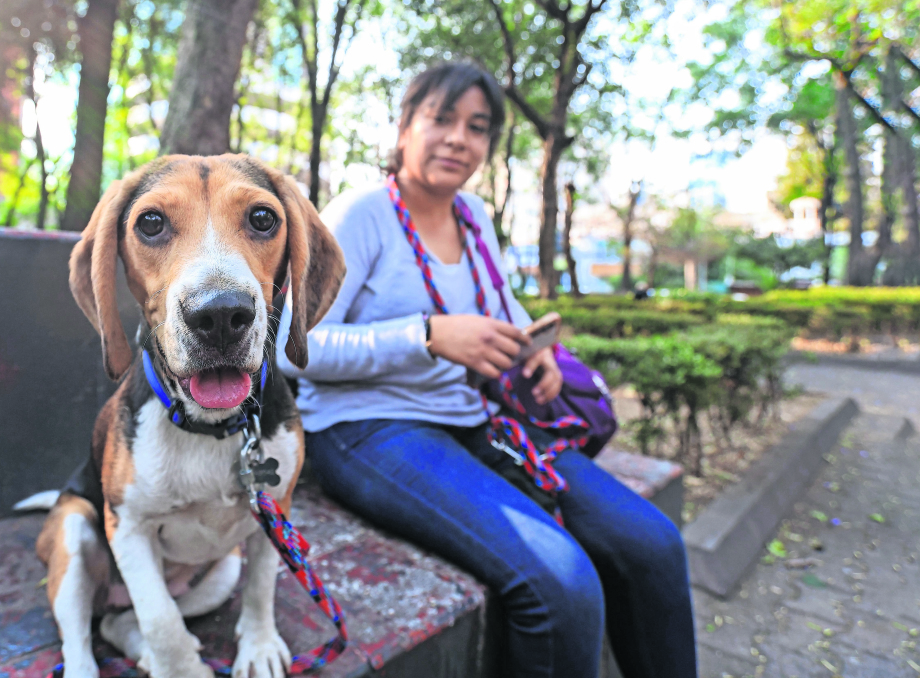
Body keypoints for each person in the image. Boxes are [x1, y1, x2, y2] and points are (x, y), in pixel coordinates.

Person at [278, 61, 696, 678]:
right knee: (563, 582)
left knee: (653, 545)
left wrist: (538, 352)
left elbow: (502, 305)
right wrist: (425, 336)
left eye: (476, 127)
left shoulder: (473, 216)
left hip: (474, 418)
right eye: (441, 119)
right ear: (404, 128)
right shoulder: (360, 213)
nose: (458, 139)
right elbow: (294, 346)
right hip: (369, 429)